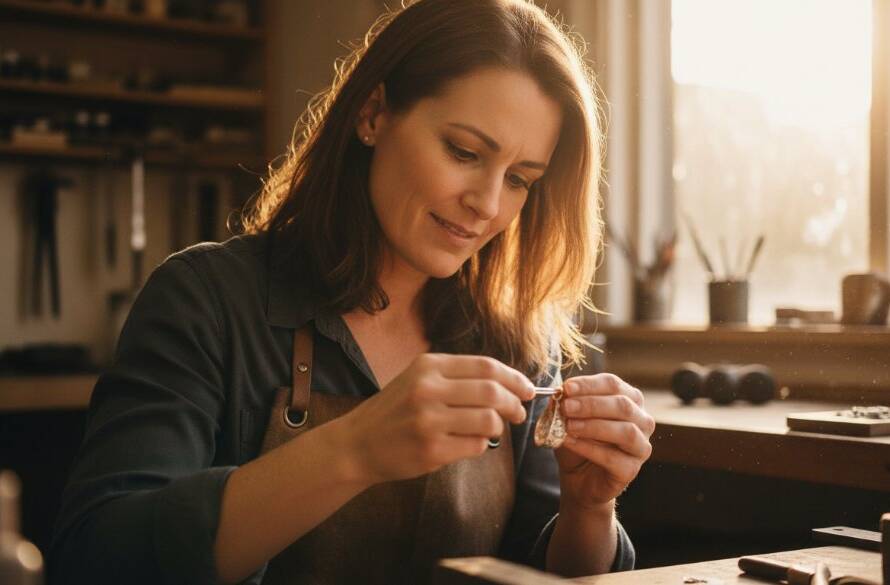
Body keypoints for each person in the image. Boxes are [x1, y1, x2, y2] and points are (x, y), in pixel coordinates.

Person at [49, 0, 655, 583]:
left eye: (521, 180)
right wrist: (354, 449)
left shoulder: (517, 340)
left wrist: (589, 511)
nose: (489, 204)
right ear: (372, 114)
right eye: (464, 152)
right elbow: (100, 556)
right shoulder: (206, 301)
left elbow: (539, 571)